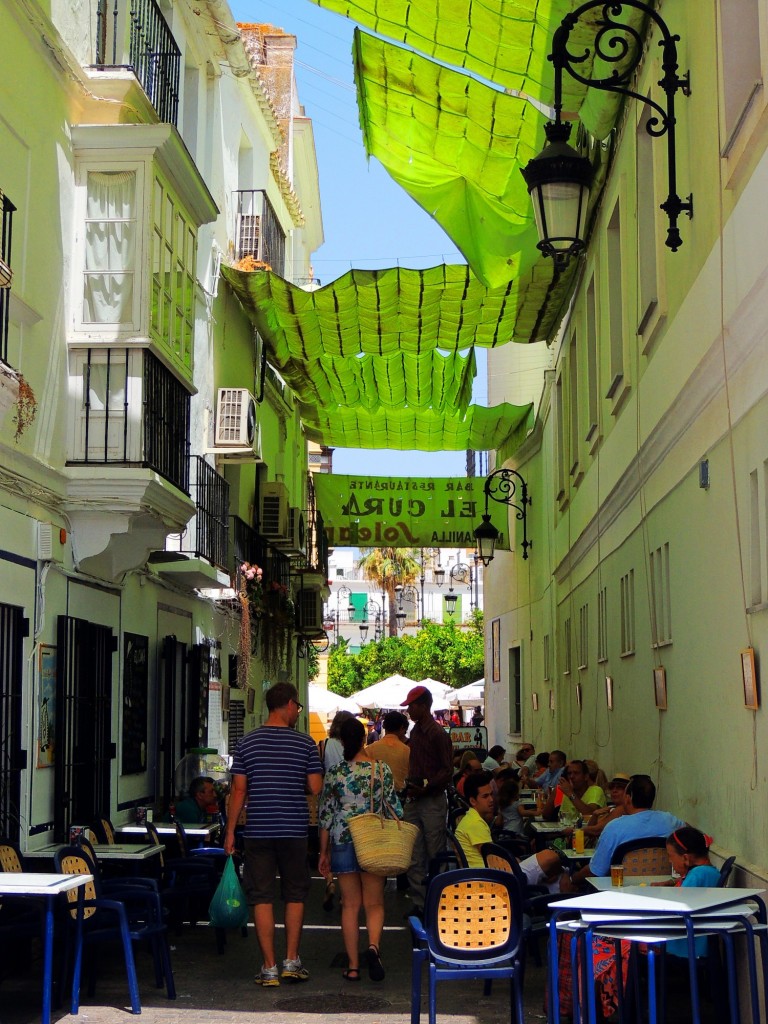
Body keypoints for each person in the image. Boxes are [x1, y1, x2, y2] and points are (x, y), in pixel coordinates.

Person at [224, 683, 323, 987]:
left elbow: (238, 791)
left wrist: (230, 832)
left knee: (261, 896)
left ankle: (268, 968)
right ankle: (291, 961)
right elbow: (316, 788)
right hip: (293, 830)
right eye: (298, 707)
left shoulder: (246, 744)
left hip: (259, 830)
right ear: (290, 705)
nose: (298, 712)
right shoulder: (305, 744)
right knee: (294, 894)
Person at [318, 717, 401, 982]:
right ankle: (374, 948)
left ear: (341, 740)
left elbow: (325, 815)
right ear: (364, 739)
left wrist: (323, 852)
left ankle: (353, 967)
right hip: (373, 839)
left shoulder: (336, 773)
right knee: (374, 903)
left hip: (343, 838)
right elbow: (395, 809)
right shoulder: (382, 770)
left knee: (350, 905)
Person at [455, 772, 566, 891]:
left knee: (554, 869)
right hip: (495, 880)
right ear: (473, 801)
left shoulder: (471, 819)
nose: (491, 799)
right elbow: (493, 859)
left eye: (491, 794)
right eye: (485, 796)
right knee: (552, 857)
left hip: (489, 876)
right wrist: (517, 862)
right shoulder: (475, 823)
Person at [571, 774, 686, 886]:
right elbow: (696, 837)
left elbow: (596, 871)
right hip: (662, 889)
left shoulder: (614, 827)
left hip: (620, 892)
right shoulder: (670, 820)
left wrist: (573, 878)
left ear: (628, 798)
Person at [400, 685, 454, 914]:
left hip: (431, 800)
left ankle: (437, 903)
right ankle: (421, 903)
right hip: (417, 798)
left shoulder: (437, 733)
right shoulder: (416, 731)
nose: (409, 710)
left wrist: (426, 786)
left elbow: (447, 770)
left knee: (435, 853)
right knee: (414, 853)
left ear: (423, 706)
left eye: (411, 706)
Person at [544, 759, 606, 823]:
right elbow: (546, 815)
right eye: (569, 773)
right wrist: (555, 793)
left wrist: (571, 794)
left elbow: (590, 814)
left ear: (586, 776)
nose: (571, 776)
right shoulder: (566, 792)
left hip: (586, 831)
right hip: (565, 830)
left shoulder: (596, 790)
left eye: (576, 773)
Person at [365, 710, 410, 791]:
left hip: (375, 795)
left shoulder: (369, 749)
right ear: (401, 727)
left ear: (384, 726)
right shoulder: (406, 750)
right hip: (398, 796)